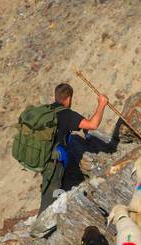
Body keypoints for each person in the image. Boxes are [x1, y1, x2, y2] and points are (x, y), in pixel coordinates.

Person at [39, 81, 108, 214]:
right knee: (51, 198)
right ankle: (42, 227)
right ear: (69, 98)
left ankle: (59, 215)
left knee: (57, 189)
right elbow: (92, 124)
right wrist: (101, 104)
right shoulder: (66, 114)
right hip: (54, 163)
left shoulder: (47, 111)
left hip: (43, 158)